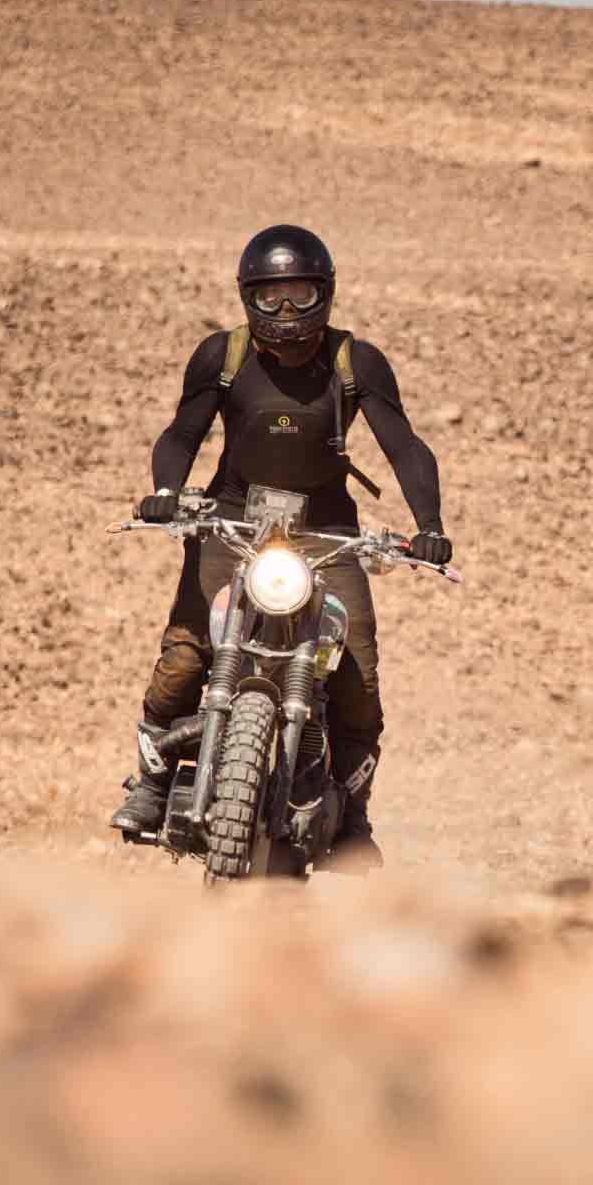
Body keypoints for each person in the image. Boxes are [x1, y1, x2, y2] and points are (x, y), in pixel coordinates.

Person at [110, 223, 455, 872]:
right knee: (185, 657)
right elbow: (182, 433)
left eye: (299, 295)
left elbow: (403, 445)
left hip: (327, 533)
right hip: (232, 520)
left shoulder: (356, 361)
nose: (286, 313)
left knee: (359, 672)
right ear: (248, 298)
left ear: (325, 294)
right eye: (271, 298)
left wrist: (429, 526)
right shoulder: (223, 356)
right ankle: (154, 783)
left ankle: (353, 816)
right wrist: (164, 490)